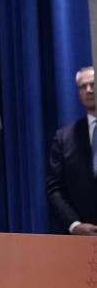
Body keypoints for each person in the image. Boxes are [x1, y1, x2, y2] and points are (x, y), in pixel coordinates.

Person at [46, 66, 97, 234]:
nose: (88, 90)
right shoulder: (64, 138)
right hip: (83, 239)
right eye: (83, 86)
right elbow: (55, 189)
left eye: (93, 84)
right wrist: (74, 225)